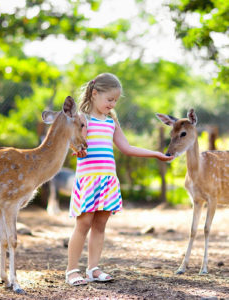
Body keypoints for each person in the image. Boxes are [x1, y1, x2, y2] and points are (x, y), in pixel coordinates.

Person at [65, 73, 173, 286]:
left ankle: (93, 269)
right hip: (88, 179)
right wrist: (77, 149)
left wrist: (156, 154)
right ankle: (71, 270)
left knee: (100, 224)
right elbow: (74, 142)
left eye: (115, 100)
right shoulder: (83, 118)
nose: (113, 104)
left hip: (107, 180)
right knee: (84, 223)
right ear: (95, 94)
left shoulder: (111, 122)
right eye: (110, 99)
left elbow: (127, 147)